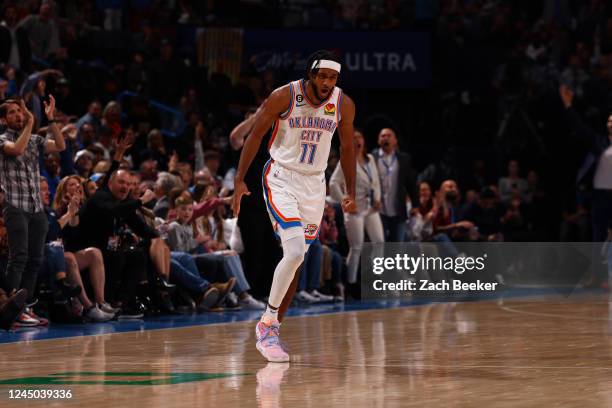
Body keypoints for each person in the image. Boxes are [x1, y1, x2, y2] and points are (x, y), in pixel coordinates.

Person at [232, 50, 356, 362]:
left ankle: (275, 325)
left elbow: (348, 147)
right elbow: (255, 135)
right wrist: (239, 179)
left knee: (297, 261)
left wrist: (350, 190)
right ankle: (267, 325)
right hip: (282, 177)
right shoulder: (284, 96)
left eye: (333, 77)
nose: (328, 82)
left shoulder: (343, 103)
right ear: (311, 75)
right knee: (296, 250)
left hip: (315, 183)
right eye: (323, 76)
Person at [0, 96, 65, 325]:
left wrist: (51, 119)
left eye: (21, 111)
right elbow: (17, 150)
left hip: (37, 208)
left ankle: (24, 307)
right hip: (15, 206)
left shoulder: (35, 139)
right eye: (13, 112)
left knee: (35, 260)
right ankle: (9, 308)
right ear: (3, 119)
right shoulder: (2, 140)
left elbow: (60, 146)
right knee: (19, 258)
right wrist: (30, 122)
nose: (19, 115)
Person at [329, 128, 384, 286]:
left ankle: (376, 279)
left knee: (379, 242)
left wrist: (378, 199)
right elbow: (333, 183)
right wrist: (345, 202)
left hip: (370, 208)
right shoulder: (346, 160)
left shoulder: (370, 159)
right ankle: (351, 284)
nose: (357, 140)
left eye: (359, 137)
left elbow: (375, 182)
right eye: (354, 138)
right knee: (357, 247)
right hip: (355, 211)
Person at [372, 127, 416, 242]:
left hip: (398, 210)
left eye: (389, 136)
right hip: (378, 210)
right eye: (383, 136)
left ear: (395, 141)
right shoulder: (372, 158)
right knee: (380, 245)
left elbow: (410, 183)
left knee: (397, 247)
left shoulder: (404, 159)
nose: (385, 138)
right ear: (378, 140)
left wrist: (415, 205)